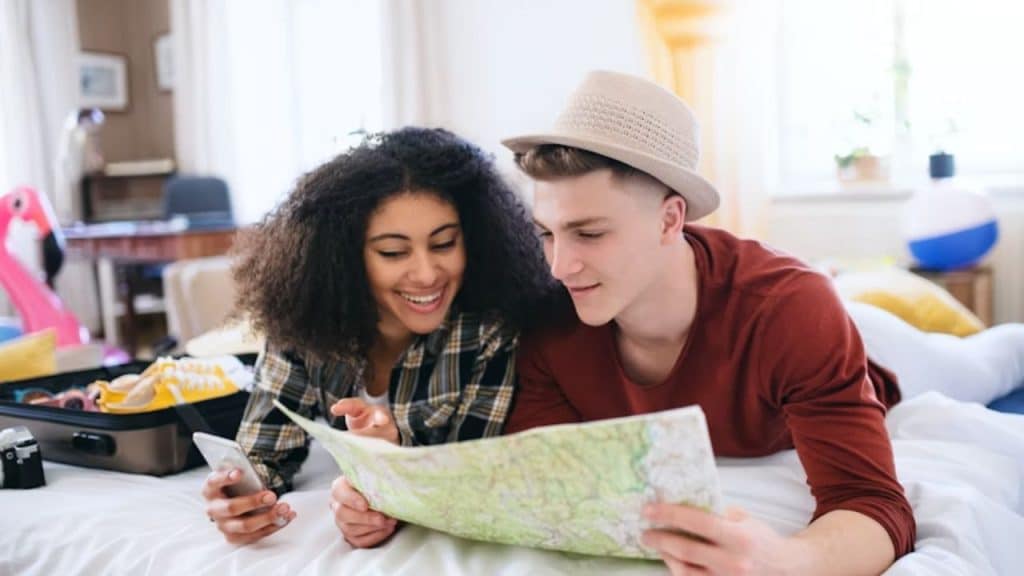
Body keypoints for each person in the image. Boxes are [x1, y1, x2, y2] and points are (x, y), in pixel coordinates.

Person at [501, 70, 915, 575]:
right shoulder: (545, 317)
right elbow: (548, 481)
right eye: (546, 233)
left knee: (976, 360)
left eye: (589, 233)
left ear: (671, 220)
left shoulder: (792, 309)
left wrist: (786, 561)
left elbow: (876, 504)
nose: (559, 266)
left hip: (871, 358)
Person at [200, 127, 551, 546]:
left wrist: (390, 466)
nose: (425, 273)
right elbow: (264, 455)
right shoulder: (303, 326)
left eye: (444, 244)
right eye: (393, 252)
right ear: (344, 257)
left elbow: (469, 478)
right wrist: (237, 499)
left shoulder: (489, 332)